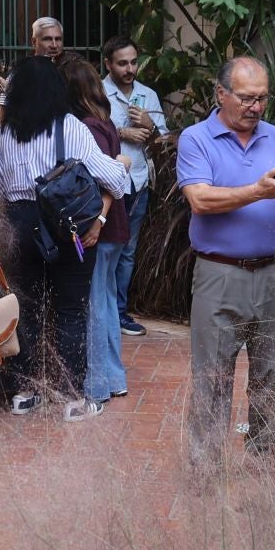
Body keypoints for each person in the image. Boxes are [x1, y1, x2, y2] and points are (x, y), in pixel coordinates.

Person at [177, 57, 275, 466]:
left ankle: (264, 461)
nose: (255, 107)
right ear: (220, 93)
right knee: (212, 377)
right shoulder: (196, 138)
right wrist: (258, 191)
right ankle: (206, 469)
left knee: (274, 374)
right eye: (246, 98)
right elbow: (200, 199)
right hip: (220, 274)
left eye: (262, 98)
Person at [0, 56, 129, 422]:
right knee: (70, 312)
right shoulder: (71, 127)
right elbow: (114, 180)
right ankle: (73, 397)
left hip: (20, 225)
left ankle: (25, 391)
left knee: (27, 310)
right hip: (69, 228)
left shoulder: (4, 133)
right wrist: (122, 166)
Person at [62, 58, 131, 407]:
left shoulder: (85, 126)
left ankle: (98, 384)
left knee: (95, 306)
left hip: (100, 227)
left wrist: (98, 222)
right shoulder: (104, 122)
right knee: (104, 302)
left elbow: (107, 180)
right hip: (114, 226)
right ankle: (114, 378)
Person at [101, 36, 165, 336]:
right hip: (107, 184)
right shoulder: (99, 92)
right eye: (122, 63)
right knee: (106, 250)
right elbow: (89, 129)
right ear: (108, 64)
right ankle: (100, 311)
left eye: (133, 62)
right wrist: (124, 131)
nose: (129, 69)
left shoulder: (147, 95)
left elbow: (164, 141)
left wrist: (150, 128)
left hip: (138, 182)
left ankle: (120, 313)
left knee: (127, 251)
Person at [0, 16, 68, 123]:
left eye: (58, 39)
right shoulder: (18, 74)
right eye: (47, 39)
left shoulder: (69, 70)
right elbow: (2, 121)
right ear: (33, 42)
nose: (54, 45)